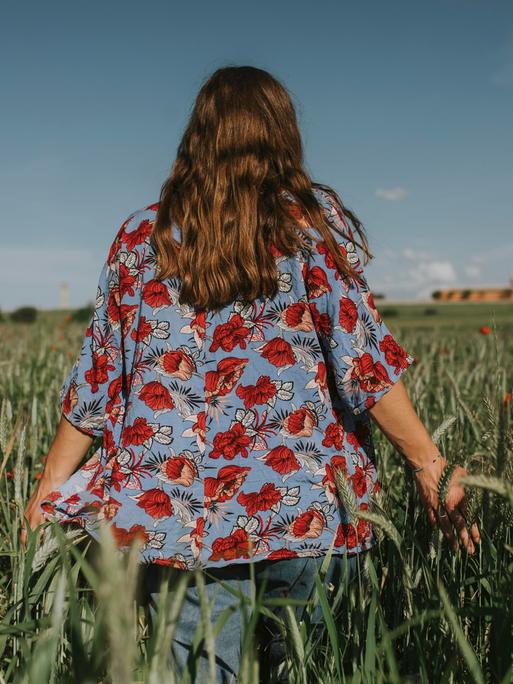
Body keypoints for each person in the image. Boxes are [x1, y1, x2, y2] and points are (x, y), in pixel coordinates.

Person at [22, 65, 480, 682]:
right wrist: (430, 465)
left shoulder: (141, 239)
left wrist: (52, 481)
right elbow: (365, 366)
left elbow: (100, 380)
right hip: (311, 518)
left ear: (197, 137)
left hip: (182, 529)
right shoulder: (312, 229)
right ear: (282, 135)